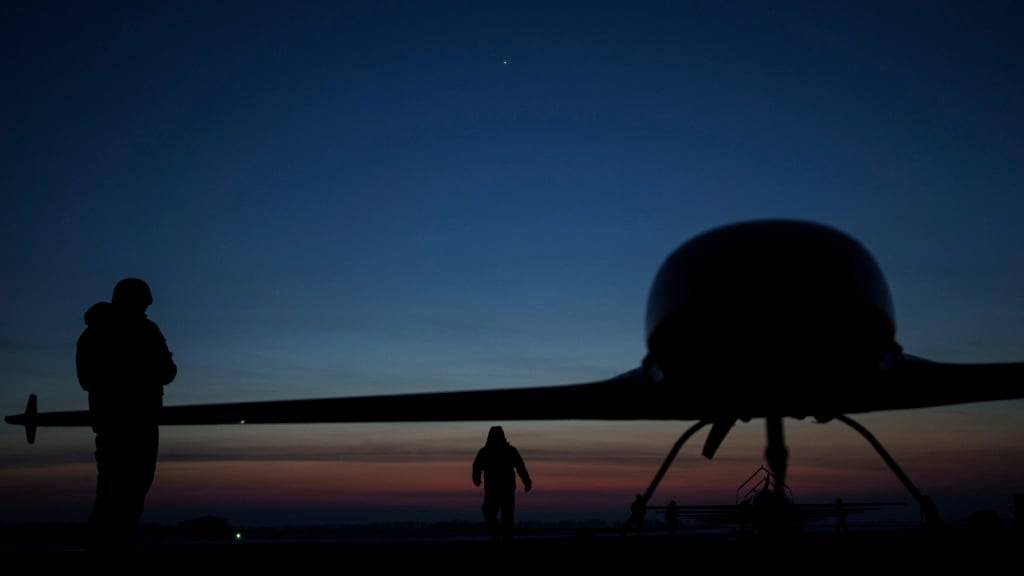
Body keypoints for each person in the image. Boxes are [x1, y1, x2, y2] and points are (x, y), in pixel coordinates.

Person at [76, 278, 177, 549]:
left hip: (109, 423)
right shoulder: (145, 331)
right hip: (139, 421)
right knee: (130, 488)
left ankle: (107, 545)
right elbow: (168, 372)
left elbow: (86, 379)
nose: (146, 308)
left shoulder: (92, 334)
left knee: (112, 488)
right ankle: (114, 547)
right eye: (143, 302)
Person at [472, 426, 532, 540]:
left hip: (501, 489)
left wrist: (527, 481)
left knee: (502, 516)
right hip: (498, 489)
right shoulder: (491, 451)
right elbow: (477, 467)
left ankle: (502, 537)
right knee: (495, 514)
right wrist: (527, 482)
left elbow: (520, 466)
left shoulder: (489, 451)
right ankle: (499, 536)